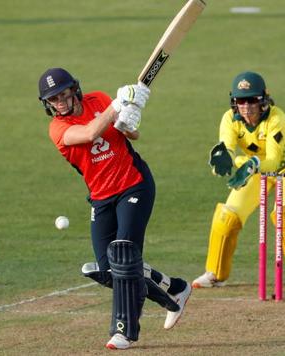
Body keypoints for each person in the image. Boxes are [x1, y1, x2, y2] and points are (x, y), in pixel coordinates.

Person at [38, 68, 191, 350]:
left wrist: (128, 121)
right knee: (109, 270)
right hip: (101, 196)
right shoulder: (57, 129)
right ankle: (175, 290)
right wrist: (117, 106)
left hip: (134, 184)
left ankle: (124, 331)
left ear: (74, 90)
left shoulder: (99, 100)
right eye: (53, 99)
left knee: (123, 253)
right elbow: (88, 133)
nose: (59, 101)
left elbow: (131, 135)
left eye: (63, 94)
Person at [192, 71, 285, 293]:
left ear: (263, 101)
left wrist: (243, 162)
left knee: (284, 213)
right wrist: (224, 159)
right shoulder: (229, 119)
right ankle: (215, 273)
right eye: (241, 100)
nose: (246, 106)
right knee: (228, 215)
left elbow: (274, 161)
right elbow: (227, 148)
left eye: (252, 100)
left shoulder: (276, 118)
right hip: (255, 167)